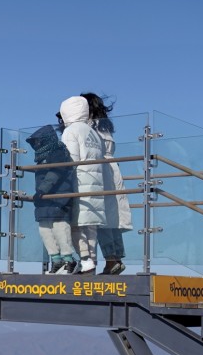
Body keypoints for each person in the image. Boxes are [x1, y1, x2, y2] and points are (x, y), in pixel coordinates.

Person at [82, 92, 132, 275]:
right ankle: (115, 259)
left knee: (98, 217)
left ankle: (104, 261)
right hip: (113, 170)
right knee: (113, 218)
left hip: (98, 170)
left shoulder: (87, 126)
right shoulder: (105, 126)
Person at [58, 95, 108, 274]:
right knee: (91, 226)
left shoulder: (71, 131)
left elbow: (69, 160)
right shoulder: (93, 132)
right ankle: (92, 261)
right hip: (96, 185)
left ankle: (85, 260)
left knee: (76, 225)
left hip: (79, 185)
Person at [25, 125, 79, 273]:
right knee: (45, 230)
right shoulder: (43, 156)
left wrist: (42, 189)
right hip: (45, 199)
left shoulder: (58, 152)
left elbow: (56, 171)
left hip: (58, 198)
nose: (36, 145)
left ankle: (69, 260)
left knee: (60, 228)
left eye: (38, 142)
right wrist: (41, 192)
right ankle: (56, 260)